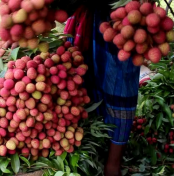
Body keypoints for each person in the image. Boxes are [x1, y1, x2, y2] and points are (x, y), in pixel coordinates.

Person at [56, 1, 141, 175]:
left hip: (121, 24)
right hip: (88, 22)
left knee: (120, 88)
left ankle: (112, 164)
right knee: (81, 80)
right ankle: (93, 141)